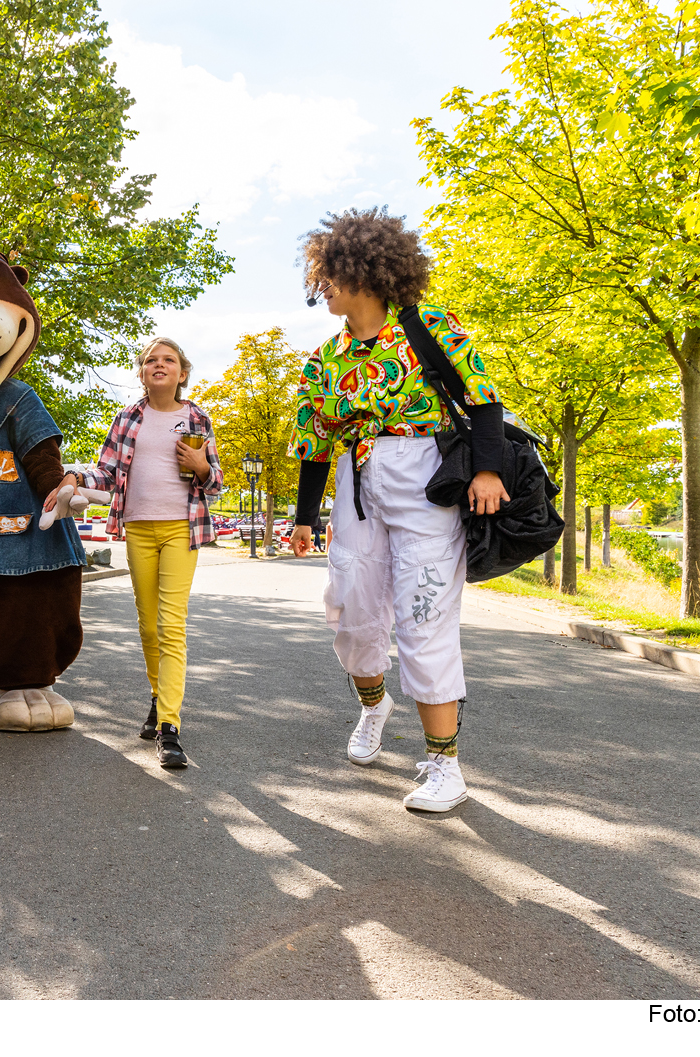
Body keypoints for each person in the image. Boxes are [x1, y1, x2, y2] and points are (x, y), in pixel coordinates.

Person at [288, 207, 508, 812]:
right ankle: (373, 706)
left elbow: (483, 398)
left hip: (425, 480)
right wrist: (306, 518)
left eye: (328, 272)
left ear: (361, 269)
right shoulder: (323, 359)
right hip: (356, 486)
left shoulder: (429, 327)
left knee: (423, 616)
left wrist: (487, 469)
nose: (321, 286)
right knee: (351, 614)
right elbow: (313, 444)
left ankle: (445, 765)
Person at [50, 337, 223, 769]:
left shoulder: (197, 417)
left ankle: (169, 726)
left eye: (168, 360)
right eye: (150, 360)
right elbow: (106, 473)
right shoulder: (128, 418)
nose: (158, 365)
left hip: (182, 530)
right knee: (148, 626)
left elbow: (215, 483)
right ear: (143, 372)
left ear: (182, 373)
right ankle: (157, 697)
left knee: (171, 626)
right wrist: (73, 473)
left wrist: (202, 467)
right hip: (139, 530)